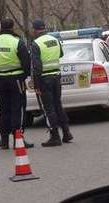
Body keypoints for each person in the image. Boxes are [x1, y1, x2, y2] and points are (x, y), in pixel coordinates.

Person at [0, 18, 34, 149]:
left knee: (4, 109)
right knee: (18, 108)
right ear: (12, 27)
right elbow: (26, 63)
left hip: (1, 81)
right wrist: (23, 77)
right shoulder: (17, 42)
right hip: (17, 80)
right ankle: (18, 139)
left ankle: (4, 140)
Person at [31, 19, 73, 147]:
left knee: (48, 108)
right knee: (58, 105)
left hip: (44, 79)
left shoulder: (36, 43)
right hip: (56, 76)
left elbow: (37, 66)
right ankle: (66, 133)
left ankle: (55, 136)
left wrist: (36, 84)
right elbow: (60, 54)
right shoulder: (54, 39)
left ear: (35, 29)